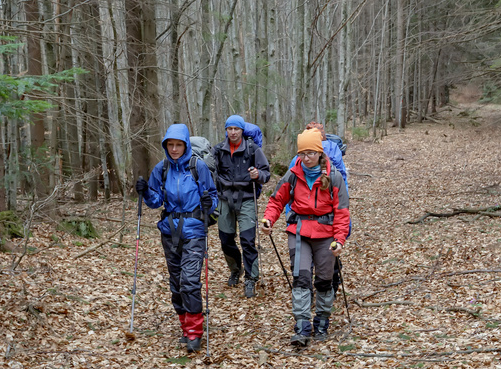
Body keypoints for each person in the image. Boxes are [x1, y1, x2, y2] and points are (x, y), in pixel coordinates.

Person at [135, 124, 219, 352]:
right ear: (165, 146)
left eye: (178, 145)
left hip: (194, 230)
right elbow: (155, 201)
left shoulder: (197, 167)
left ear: (185, 145)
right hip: (170, 231)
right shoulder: (161, 169)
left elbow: (213, 195)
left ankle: (195, 332)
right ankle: (185, 327)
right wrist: (144, 192)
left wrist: (209, 204)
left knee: (189, 281)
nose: (174, 149)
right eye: (170, 145)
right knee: (176, 284)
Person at [262, 129, 349, 347]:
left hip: (326, 233)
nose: (306, 158)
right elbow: (276, 201)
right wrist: (268, 220)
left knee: (324, 280)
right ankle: (302, 326)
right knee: (301, 278)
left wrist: (339, 239)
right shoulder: (292, 175)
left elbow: (342, 212)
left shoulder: (334, 177)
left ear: (320, 153)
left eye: (310, 153)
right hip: (299, 230)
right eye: (302, 153)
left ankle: (322, 321)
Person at [212, 115, 271, 298]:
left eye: (236, 129)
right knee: (226, 240)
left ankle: (251, 277)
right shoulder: (219, 150)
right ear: (226, 130)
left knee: (247, 239)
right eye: (230, 129)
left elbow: (266, 173)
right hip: (224, 199)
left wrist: (257, 175)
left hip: (246, 198)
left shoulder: (253, 149)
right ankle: (235, 269)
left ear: (242, 130)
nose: (233, 132)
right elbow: (209, 168)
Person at [287, 121, 348, 189]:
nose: (306, 158)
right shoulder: (334, 150)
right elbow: (343, 176)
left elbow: (289, 181)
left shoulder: (299, 157)